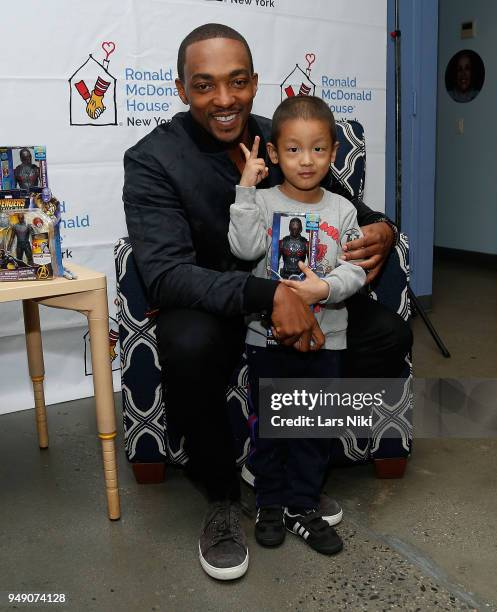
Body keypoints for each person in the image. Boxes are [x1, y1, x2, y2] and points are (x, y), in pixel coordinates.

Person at [123, 23, 412, 581]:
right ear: (182, 90)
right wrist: (270, 296)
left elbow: (347, 205)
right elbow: (163, 274)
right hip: (212, 302)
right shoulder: (154, 159)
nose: (224, 99)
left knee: (387, 337)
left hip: (301, 292)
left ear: (254, 83)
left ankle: (289, 464)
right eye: (205, 85)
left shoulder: (278, 134)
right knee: (185, 344)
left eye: (236, 82)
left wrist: (382, 228)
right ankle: (224, 501)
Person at [229, 95, 366, 555]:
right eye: (293, 149)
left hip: (329, 340)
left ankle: (302, 506)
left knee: (313, 428)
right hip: (267, 338)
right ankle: (269, 501)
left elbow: (356, 269)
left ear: (332, 152)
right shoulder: (263, 203)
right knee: (270, 424)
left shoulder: (343, 211)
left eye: (318, 149)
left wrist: (321, 290)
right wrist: (246, 189)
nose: (306, 161)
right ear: (273, 152)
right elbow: (246, 250)